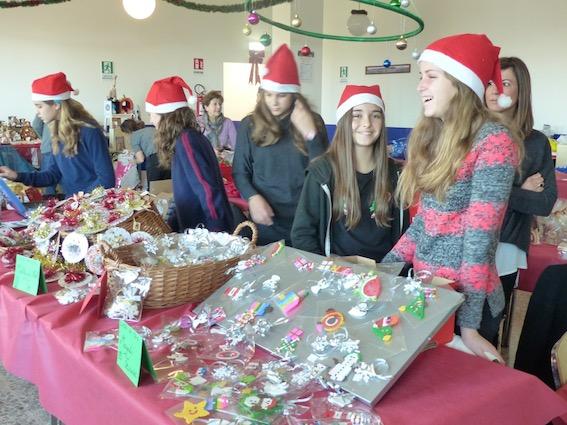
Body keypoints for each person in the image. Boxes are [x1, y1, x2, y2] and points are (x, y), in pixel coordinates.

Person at [382, 34, 523, 362]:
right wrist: (384, 267)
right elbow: (425, 223)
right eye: (421, 76)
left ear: (460, 84)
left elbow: (479, 242)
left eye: (431, 76)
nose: (420, 86)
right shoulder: (437, 136)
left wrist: (469, 327)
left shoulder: (494, 141)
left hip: (466, 304)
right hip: (430, 294)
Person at [484, 57, 557, 345]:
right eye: (491, 82)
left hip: (506, 247)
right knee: (453, 326)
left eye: (505, 83)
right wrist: (520, 189)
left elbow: (545, 203)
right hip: (462, 244)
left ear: (520, 92)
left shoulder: (535, 142)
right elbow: (458, 192)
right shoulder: (469, 134)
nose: (495, 90)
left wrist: (497, 192)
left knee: (488, 328)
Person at [291, 85, 406, 261]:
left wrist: (392, 269)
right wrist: (325, 268)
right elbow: (302, 234)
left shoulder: (396, 174)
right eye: (357, 115)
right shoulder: (322, 172)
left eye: (375, 115)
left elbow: (405, 237)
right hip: (336, 271)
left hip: (385, 271)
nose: (367, 123)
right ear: (344, 121)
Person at [233, 44, 329, 246]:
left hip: (306, 218)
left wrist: (311, 135)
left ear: (294, 95)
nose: (274, 102)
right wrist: (252, 197)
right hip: (267, 219)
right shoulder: (249, 125)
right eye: (268, 95)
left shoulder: (313, 121)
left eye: (281, 95)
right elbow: (240, 171)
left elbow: (325, 174)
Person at [0, 72, 115, 197]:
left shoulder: (90, 131)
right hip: (75, 204)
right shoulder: (57, 132)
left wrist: (80, 200)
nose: (37, 112)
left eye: (40, 106)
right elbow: (52, 175)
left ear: (56, 105)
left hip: (92, 205)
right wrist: (16, 175)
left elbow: (106, 180)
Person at [145, 76, 233, 233]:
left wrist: (218, 233)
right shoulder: (183, 138)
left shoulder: (187, 141)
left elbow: (207, 190)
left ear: (167, 116)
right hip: (195, 229)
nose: (151, 120)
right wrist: (171, 225)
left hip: (206, 231)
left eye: (153, 114)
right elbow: (185, 192)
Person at [120, 118, 171, 184]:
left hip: (155, 160)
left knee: (153, 187)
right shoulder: (150, 129)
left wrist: (131, 162)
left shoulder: (134, 136)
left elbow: (141, 159)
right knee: (167, 185)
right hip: (169, 157)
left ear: (127, 131)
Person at [31, 115, 56, 195]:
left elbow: (36, 125)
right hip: (67, 147)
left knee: (48, 182)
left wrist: (45, 137)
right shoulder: (70, 108)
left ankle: (49, 199)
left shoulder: (45, 109)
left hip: (49, 147)